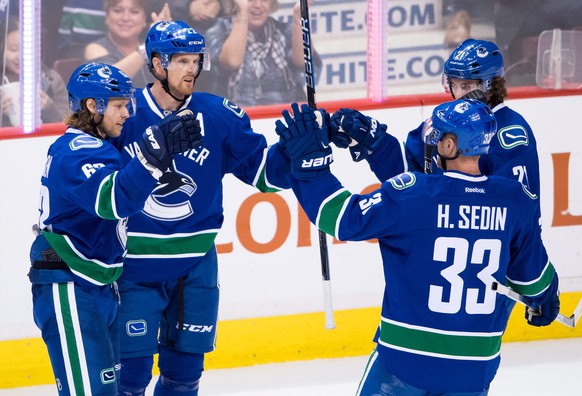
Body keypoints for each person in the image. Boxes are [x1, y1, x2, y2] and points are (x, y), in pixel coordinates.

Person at [275, 100, 560, 395]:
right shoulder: (514, 199)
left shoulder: (415, 193)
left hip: (406, 362)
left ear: (450, 147)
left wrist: (310, 164)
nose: (430, 140)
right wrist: (547, 296)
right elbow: (534, 282)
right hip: (473, 369)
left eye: (437, 136)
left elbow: (340, 218)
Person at [109, 20, 291, 395]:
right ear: (157, 64)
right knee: (130, 379)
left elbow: (264, 176)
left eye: (196, 60)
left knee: (184, 376)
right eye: (181, 61)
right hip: (134, 267)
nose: (192, 69)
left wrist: (297, 154)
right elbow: (102, 189)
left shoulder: (219, 114)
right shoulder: (123, 115)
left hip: (195, 266)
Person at [28, 62, 203, 395]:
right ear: (93, 106)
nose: (127, 113)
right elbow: (112, 202)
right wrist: (151, 158)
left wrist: (157, 159)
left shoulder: (102, 148)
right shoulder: (75, 152)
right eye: (120, 105)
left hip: (96, 286)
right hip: (70, 284)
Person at [204, 0, 321, 106]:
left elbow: (303, 62)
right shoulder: (219, 29)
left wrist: (298, 15)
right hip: (237, 119)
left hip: (286, 115)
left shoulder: (282, 31)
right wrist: (242, 13)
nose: (258, 5)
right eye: (250, 0)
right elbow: (231, 62)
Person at [84, 0, 172, 88]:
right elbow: (108, 80)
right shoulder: (94, 48)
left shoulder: (158, 48)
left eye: (134, 12)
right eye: (118, 11)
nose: (125, 18)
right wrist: (149, 46)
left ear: (144, 19)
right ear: (107, 17)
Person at [0, 19, 69, 127]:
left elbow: (71, 124)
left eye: (27, 49)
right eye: (13, 49)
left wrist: (50, 108)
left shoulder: (51, 79)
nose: (21, 57)